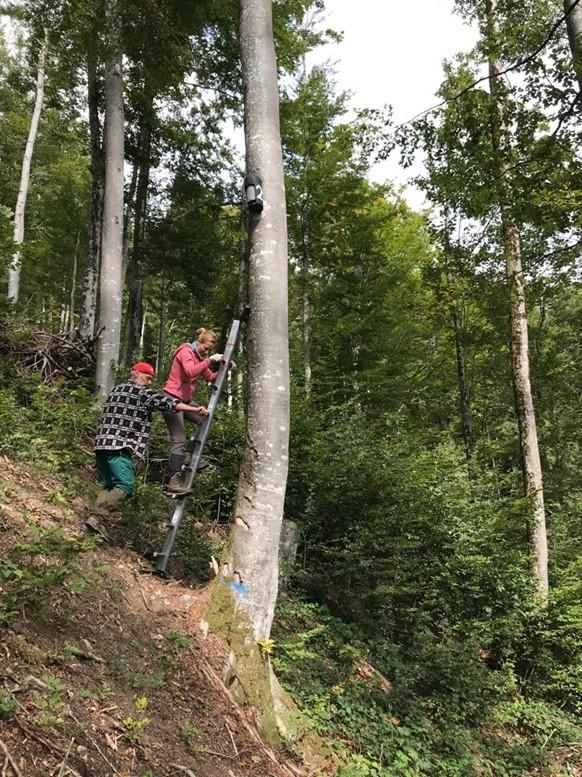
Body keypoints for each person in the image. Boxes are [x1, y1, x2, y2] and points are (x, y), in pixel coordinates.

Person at [86, 361, 209, 540]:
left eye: (151, 379)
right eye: (147, 377)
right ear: (135, 373)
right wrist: (194, 409)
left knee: (110, 486)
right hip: (118, 447)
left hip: (100, 446)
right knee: (125, 486)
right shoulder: (142, 392)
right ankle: (97, 516)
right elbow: (168, 403)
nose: (149, 382)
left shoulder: (116, 389)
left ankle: (95, 520)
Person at [162, 327, 223, 492]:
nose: (207, 352)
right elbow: (190, 372)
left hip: (185, 400)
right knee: (179, 439)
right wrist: (210, 360)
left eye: (210, 351)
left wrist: (225, 368)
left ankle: (189, 454)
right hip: (171, 398)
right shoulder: (186, 352)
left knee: (206, 420)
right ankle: (173, 479)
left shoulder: (198, 357)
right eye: (206, 348)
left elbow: (210, 377)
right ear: (199, 341)